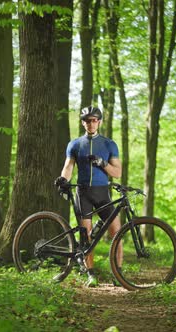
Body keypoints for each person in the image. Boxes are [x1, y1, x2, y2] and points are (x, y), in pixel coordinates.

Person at [54, 106, 123, 287]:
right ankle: (90, 274)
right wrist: (63, 179)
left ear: (99, 121)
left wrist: (103, 164)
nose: (90, 123)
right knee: (87, 237)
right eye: (87, 120)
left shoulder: (109, 144)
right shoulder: (75, 144)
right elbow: (68, 166)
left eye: (94, 120)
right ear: (83, 122)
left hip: (102, 193)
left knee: (117, 232)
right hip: (83, 193)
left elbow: (117, 173)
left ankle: (119, 273)